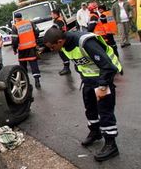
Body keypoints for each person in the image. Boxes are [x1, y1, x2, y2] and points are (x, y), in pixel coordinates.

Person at [44, 28, 122, 162]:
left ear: (60, 41)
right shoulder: (64, 46)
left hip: (104, 77)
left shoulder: (85, 42)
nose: (52, 50)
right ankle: (95, 132)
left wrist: (103, 85)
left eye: (52, 47)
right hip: (89, 79)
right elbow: (79, 63)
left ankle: (111, 144)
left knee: (105, 111)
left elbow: (108, 66)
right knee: (90, 108)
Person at [12, 13, 42, 89]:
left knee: (23, 67)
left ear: (15, 18)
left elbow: (15, 40)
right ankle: (37, 81)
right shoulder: (30, 22)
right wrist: (35, 40)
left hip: (22, 50)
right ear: (21, 17)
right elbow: (37, 32)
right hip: (31, 47)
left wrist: (14, 49)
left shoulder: (15, 26)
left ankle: (26, 83)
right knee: (34, 64)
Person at [51, 9, 71, 75]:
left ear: (55, 14)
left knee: (62, 53)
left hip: (61, 39)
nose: (51, 15)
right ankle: (66, 67)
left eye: (52, 14)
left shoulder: (58, 21)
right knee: (63, 53)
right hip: (62, 38)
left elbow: (56, 30)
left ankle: (67, 68)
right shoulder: (59, 19)